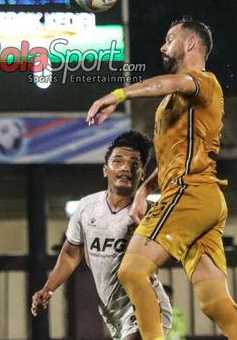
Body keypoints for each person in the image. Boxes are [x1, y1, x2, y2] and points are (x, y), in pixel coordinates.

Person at [87, 17, 237, 340]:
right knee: (215, 303)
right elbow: (174, 156)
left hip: (189, 194)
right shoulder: (173, 104)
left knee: (132, 270)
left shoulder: (202, 82)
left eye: (169, 39)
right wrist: (146, 187)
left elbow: (174, 83)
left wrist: (119, 94)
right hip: (203, 199)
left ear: (190, 44)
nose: (162, 46)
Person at [31, 131, 172, 340]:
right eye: (118, 161)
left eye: (134, 163)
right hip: (112, 312)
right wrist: (48, 288)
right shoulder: (87, 207)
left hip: (145, 305)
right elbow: (71, 255)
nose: (125, 168)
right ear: (105, 170)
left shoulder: (149, 213)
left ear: (142, 174)